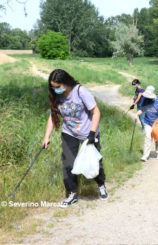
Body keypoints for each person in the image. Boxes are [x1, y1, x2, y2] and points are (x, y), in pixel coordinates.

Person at [42, 69, 108, 208]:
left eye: (58, 87)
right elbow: (52, 117)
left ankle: (101, 184)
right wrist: (46, 136)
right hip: (69, 132)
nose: (55, 90)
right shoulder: (56, 96)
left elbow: (96, 113)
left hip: (88, 132)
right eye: (53, 87)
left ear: (66, 83)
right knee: (68, 162)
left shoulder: (80, 92)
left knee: (94, 162)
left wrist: (91, 133)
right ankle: (72, 193)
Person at [135, 86, 158, 162]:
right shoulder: (145, 99)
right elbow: (142, 109)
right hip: (147, 122)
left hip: (157, 122)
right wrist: (137, 114)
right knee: (147, 137)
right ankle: (145, 155)